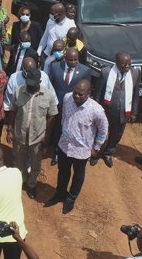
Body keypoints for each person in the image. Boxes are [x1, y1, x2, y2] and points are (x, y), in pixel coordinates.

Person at [46, 79, 108, 213]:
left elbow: (103, 130)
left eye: (81, 94)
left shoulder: (96, 110)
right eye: (75, 93)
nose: (77, 96)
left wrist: (96, 148)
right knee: (63, 171)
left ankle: (72, 197)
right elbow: (64, 116)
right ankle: (60, 193)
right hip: (64, 145)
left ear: (88, 94)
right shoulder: (67, 98)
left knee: (78, 175)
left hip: (81, 150)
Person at [6, 68, 58, 200]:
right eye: (28, 83)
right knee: (18, 162)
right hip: (20, 135)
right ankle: (21, 181)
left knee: (35, 164)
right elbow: (13, 110)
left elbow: (52, 115)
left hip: (37, 137)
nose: (29, 86)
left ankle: (31, 184)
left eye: (32, 84)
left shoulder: (48, 95)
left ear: (39, 82)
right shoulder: (19, 92)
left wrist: (46, 135)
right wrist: (10, 129)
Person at [48, 48, 93, 165]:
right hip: (57, 106)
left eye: (76, 60)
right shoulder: (55, 67)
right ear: (65, 58)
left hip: (74, 107)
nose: (73, 62)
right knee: (57, 129)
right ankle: (56, 152)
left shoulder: (85, 71)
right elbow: (51, 86)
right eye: (70, 60)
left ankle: (70, 152)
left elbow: (87, 89)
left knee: (71, 129)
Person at [96, 51, 141, 168]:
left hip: (124, 113)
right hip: (106, 112)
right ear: (116, 63)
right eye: (124, 64)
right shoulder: (106, 73)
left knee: (117, 134)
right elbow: (98, 93)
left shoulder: (135, 73)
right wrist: (95, 111)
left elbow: (136, 95)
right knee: (101, 133)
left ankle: (108, 153)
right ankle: (97, 153)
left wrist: (134, 112)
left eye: (129, 63)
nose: (127, 66)